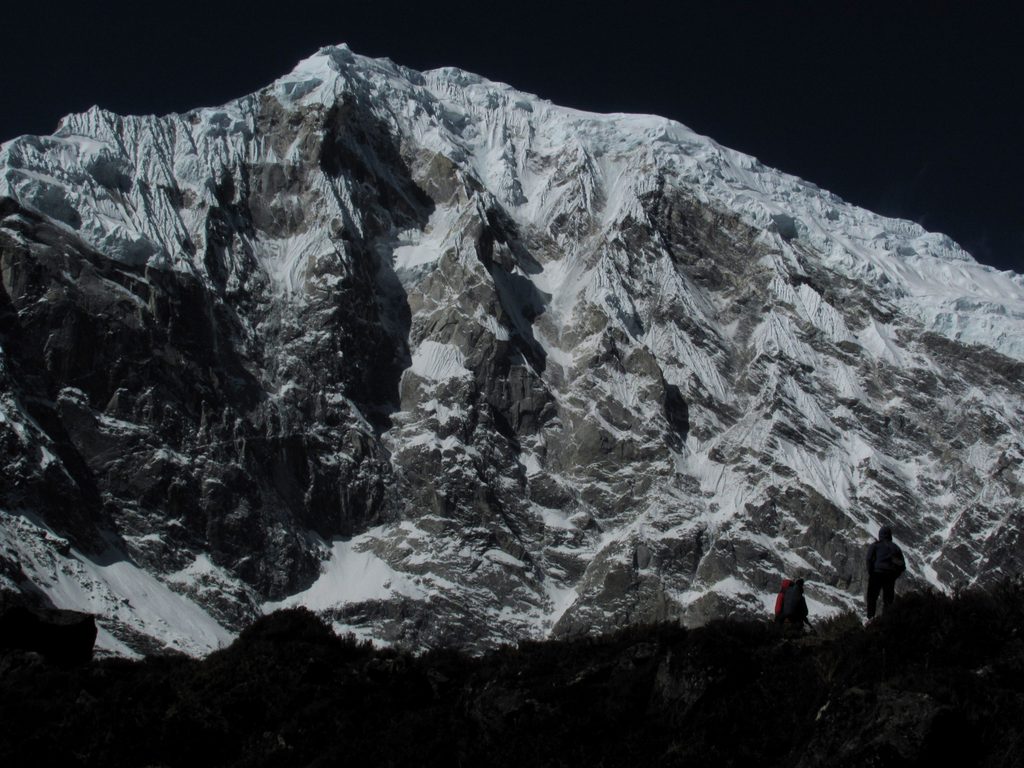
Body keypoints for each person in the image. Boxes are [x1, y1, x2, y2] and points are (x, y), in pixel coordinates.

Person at [866, 525, 906, 619]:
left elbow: (868, 559)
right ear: (890, 535)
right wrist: (894, 575)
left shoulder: (875, 546)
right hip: (889, 576)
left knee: (872, 597)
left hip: (876, 574)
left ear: (880, 535)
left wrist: (871, 572)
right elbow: (902, 565)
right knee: (888, 599)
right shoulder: (895, 548)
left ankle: (870, 618)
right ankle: (886, 619)